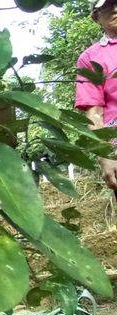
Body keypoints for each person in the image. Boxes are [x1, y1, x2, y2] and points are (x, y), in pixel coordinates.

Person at [75, 0, 117, 190]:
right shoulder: (91, 58)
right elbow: (94, 113)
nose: (116, 8)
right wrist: (105, 155)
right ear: (96, 17)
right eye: (108, 5)